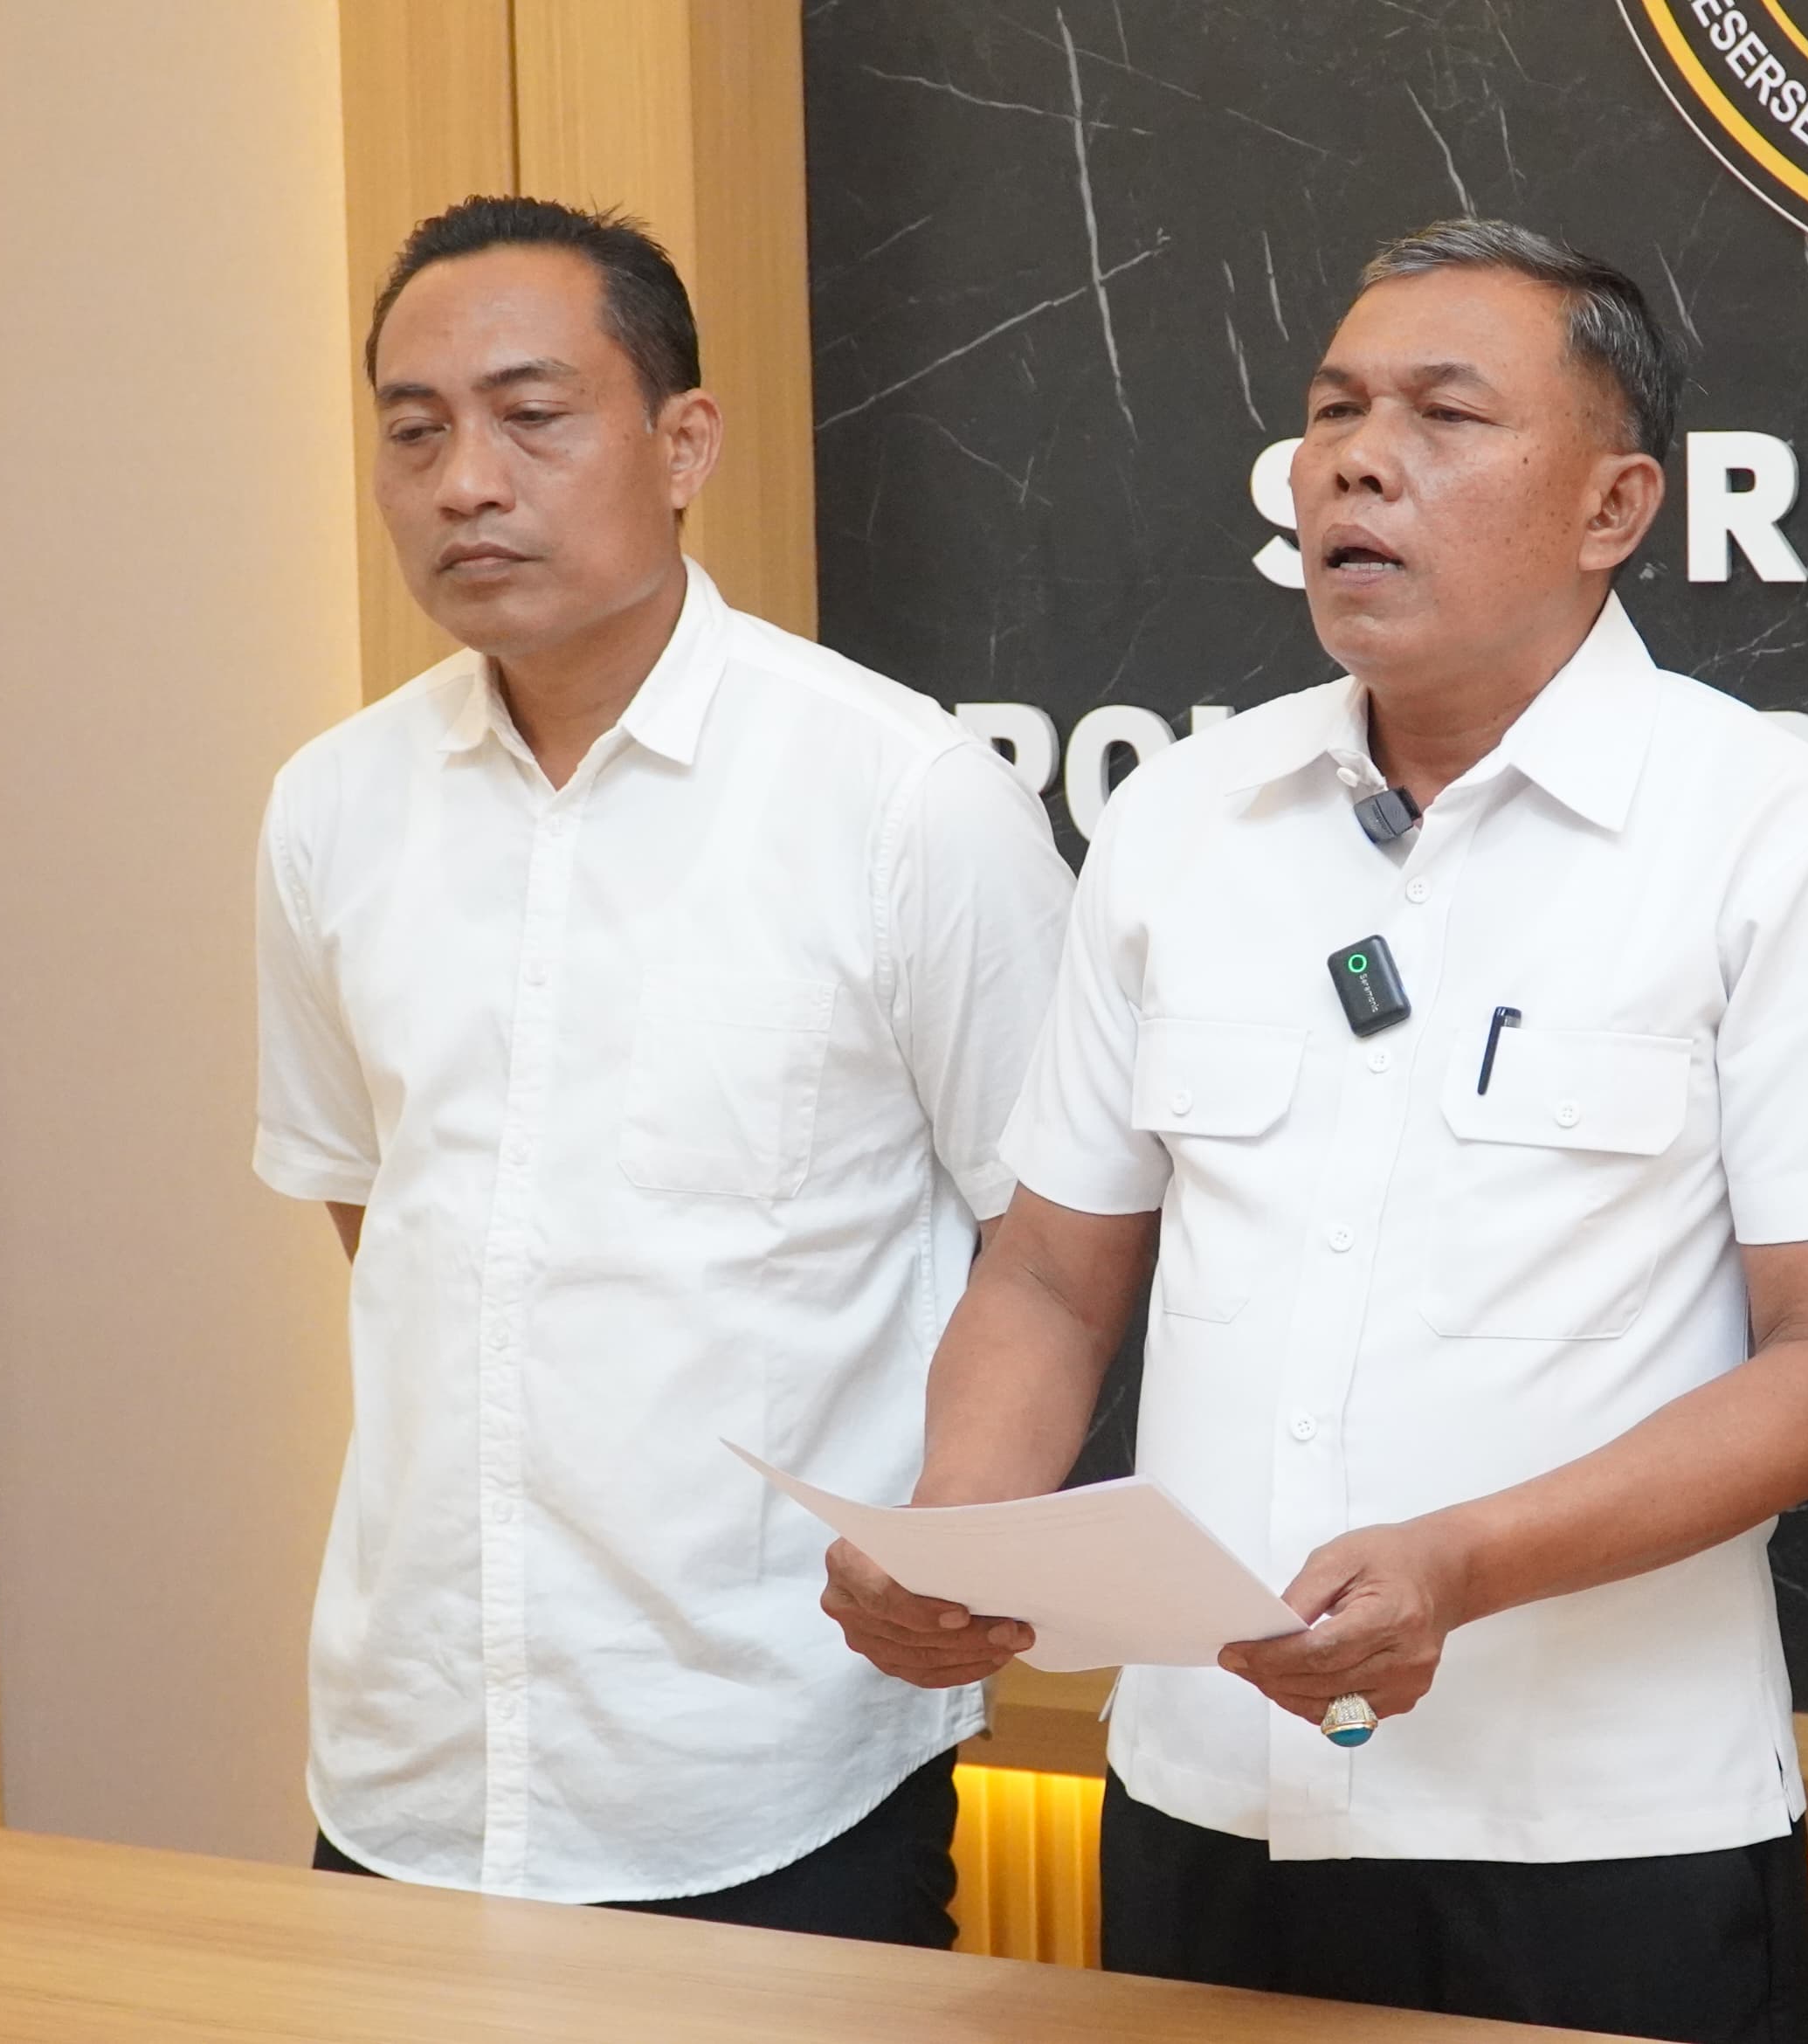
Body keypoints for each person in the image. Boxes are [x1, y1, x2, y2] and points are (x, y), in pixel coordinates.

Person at [823, 218, 1808, 2044]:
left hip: (1596, 1837)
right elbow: (1045, 1278)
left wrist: (1460, 1566)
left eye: (1445, 415)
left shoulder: (1775, 834)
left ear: (1613, 506)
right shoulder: (1183, 819)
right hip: (1207, 1801)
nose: (1358, 460)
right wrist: (957, 1529)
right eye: (1334, 410)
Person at [251, 196, 1073, 1940]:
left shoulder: (904, 800)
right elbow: (378, 1210)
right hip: (410, 1753)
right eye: (415, 433)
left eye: (532, 418)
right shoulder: (331, 807)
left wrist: (952, 1543)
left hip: (768, 1767)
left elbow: (1056, 1238)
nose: (468, 483)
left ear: (683, 443)